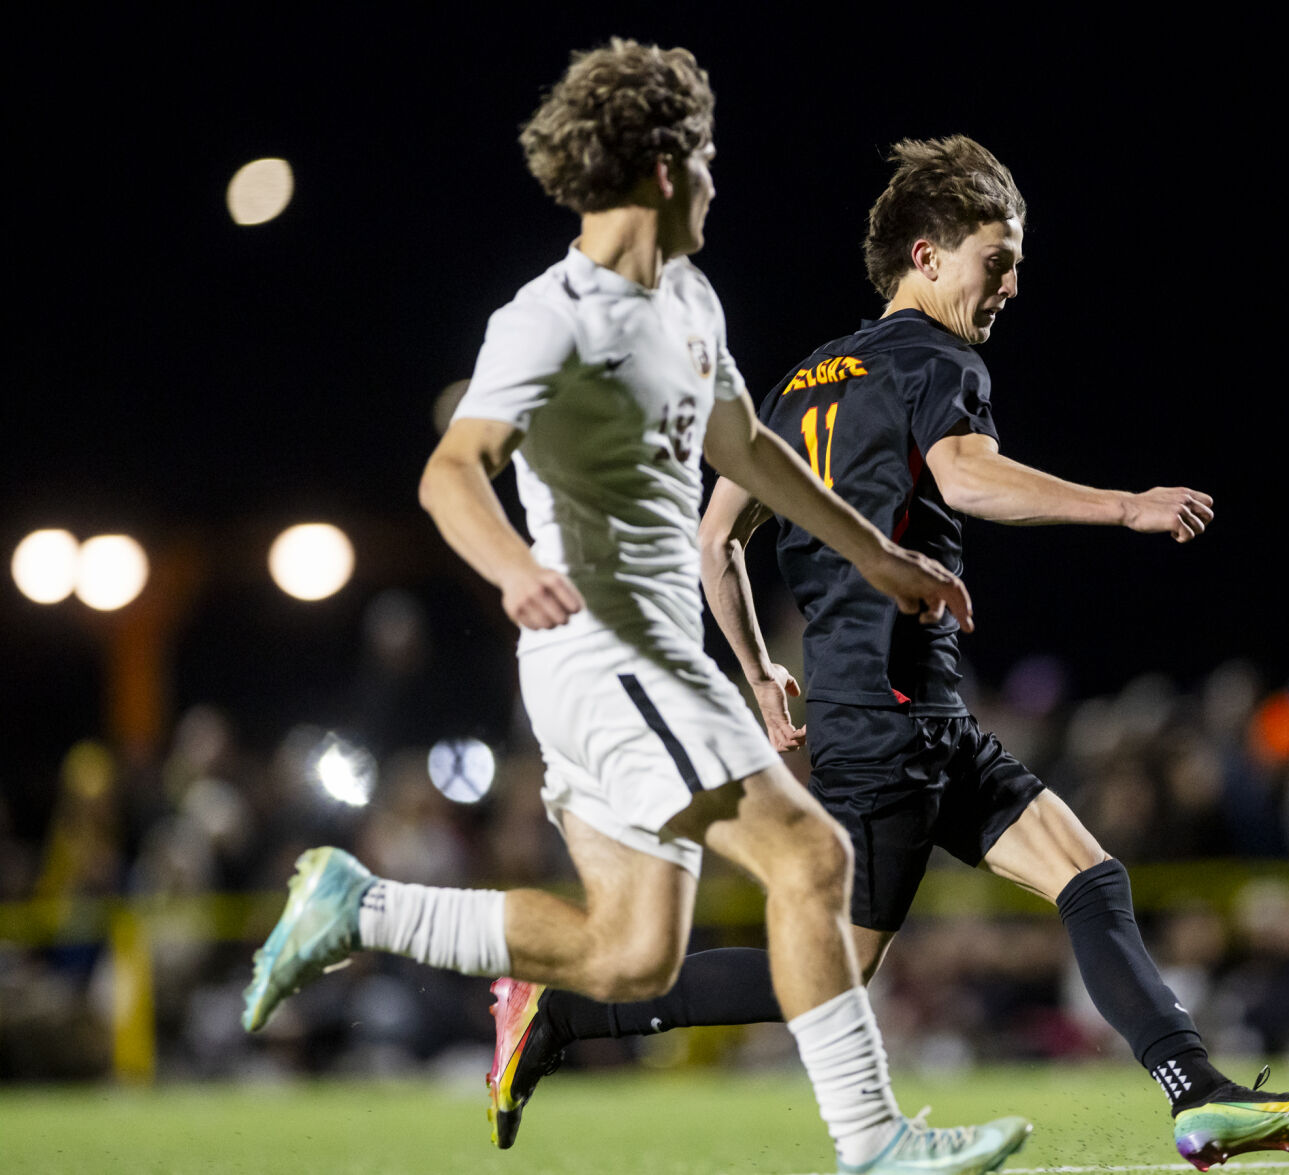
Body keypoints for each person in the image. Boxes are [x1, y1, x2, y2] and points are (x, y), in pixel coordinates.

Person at [488, 135, 1289, 1171]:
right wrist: (1123, 505)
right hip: (887, 715)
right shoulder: (937, 363)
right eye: (998, 259)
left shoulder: (804, 378)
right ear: (925, 254)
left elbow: (714, 541)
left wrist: (757, 667)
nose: (1011, 284)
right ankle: (560, 1006)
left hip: (911, 713)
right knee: (829, 967)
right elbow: (966, 477)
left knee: (1087, 874)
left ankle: (1196, 1093)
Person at [240, 45, 1031, 1175]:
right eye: (703, 156)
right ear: (663, 169)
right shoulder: (548, 317)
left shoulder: (689, 300)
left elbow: (747, 450)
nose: (716, 177)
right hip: (608, 651)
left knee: (626, 956)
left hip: (640, 660)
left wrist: (879, 554)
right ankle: (875, 1140)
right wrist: (513, 565)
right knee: (810, 858)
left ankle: (357, 904)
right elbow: (450, 471)